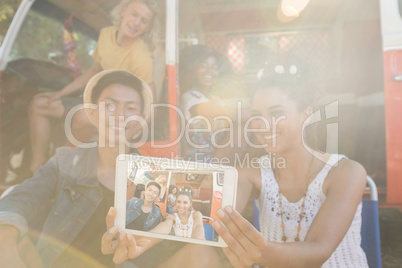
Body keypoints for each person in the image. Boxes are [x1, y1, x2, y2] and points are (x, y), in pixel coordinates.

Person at [211, 70, 369, 267]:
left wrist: (256, 252)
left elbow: (318, 251)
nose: (264, 125)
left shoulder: (346, 172)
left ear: (306, 114)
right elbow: (212, 214)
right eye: (257, 116)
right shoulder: (252, 173)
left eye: (276, 113)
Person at [0, 69, 152, 267]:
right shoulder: (65, 161)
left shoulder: (153, 180)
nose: (120, 115)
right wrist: (5, 238)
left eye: (130, 108)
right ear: (92, 113)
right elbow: (22, 196)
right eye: (110, 105)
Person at [28, 0, 160, 173]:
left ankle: (59, 166)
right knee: (39, 105)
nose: (136, 23)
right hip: (97, 101)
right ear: (123, 11)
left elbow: (151, 103)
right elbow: (93, 71)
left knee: (83, 116)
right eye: (134, 14)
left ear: (147, 27)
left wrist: (132, 129)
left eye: (143, 21)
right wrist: (58, 94)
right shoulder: (106, 34)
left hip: (118, 112)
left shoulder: (141, 56)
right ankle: (35, 169)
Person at [179, 45, 235, 162]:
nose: (209, 71)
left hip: (216, 155)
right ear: (193, 69)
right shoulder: (190, 96)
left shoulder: (215, 98)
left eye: (214, 67)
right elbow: (219, 112)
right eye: (203, 66)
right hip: (198, 159)